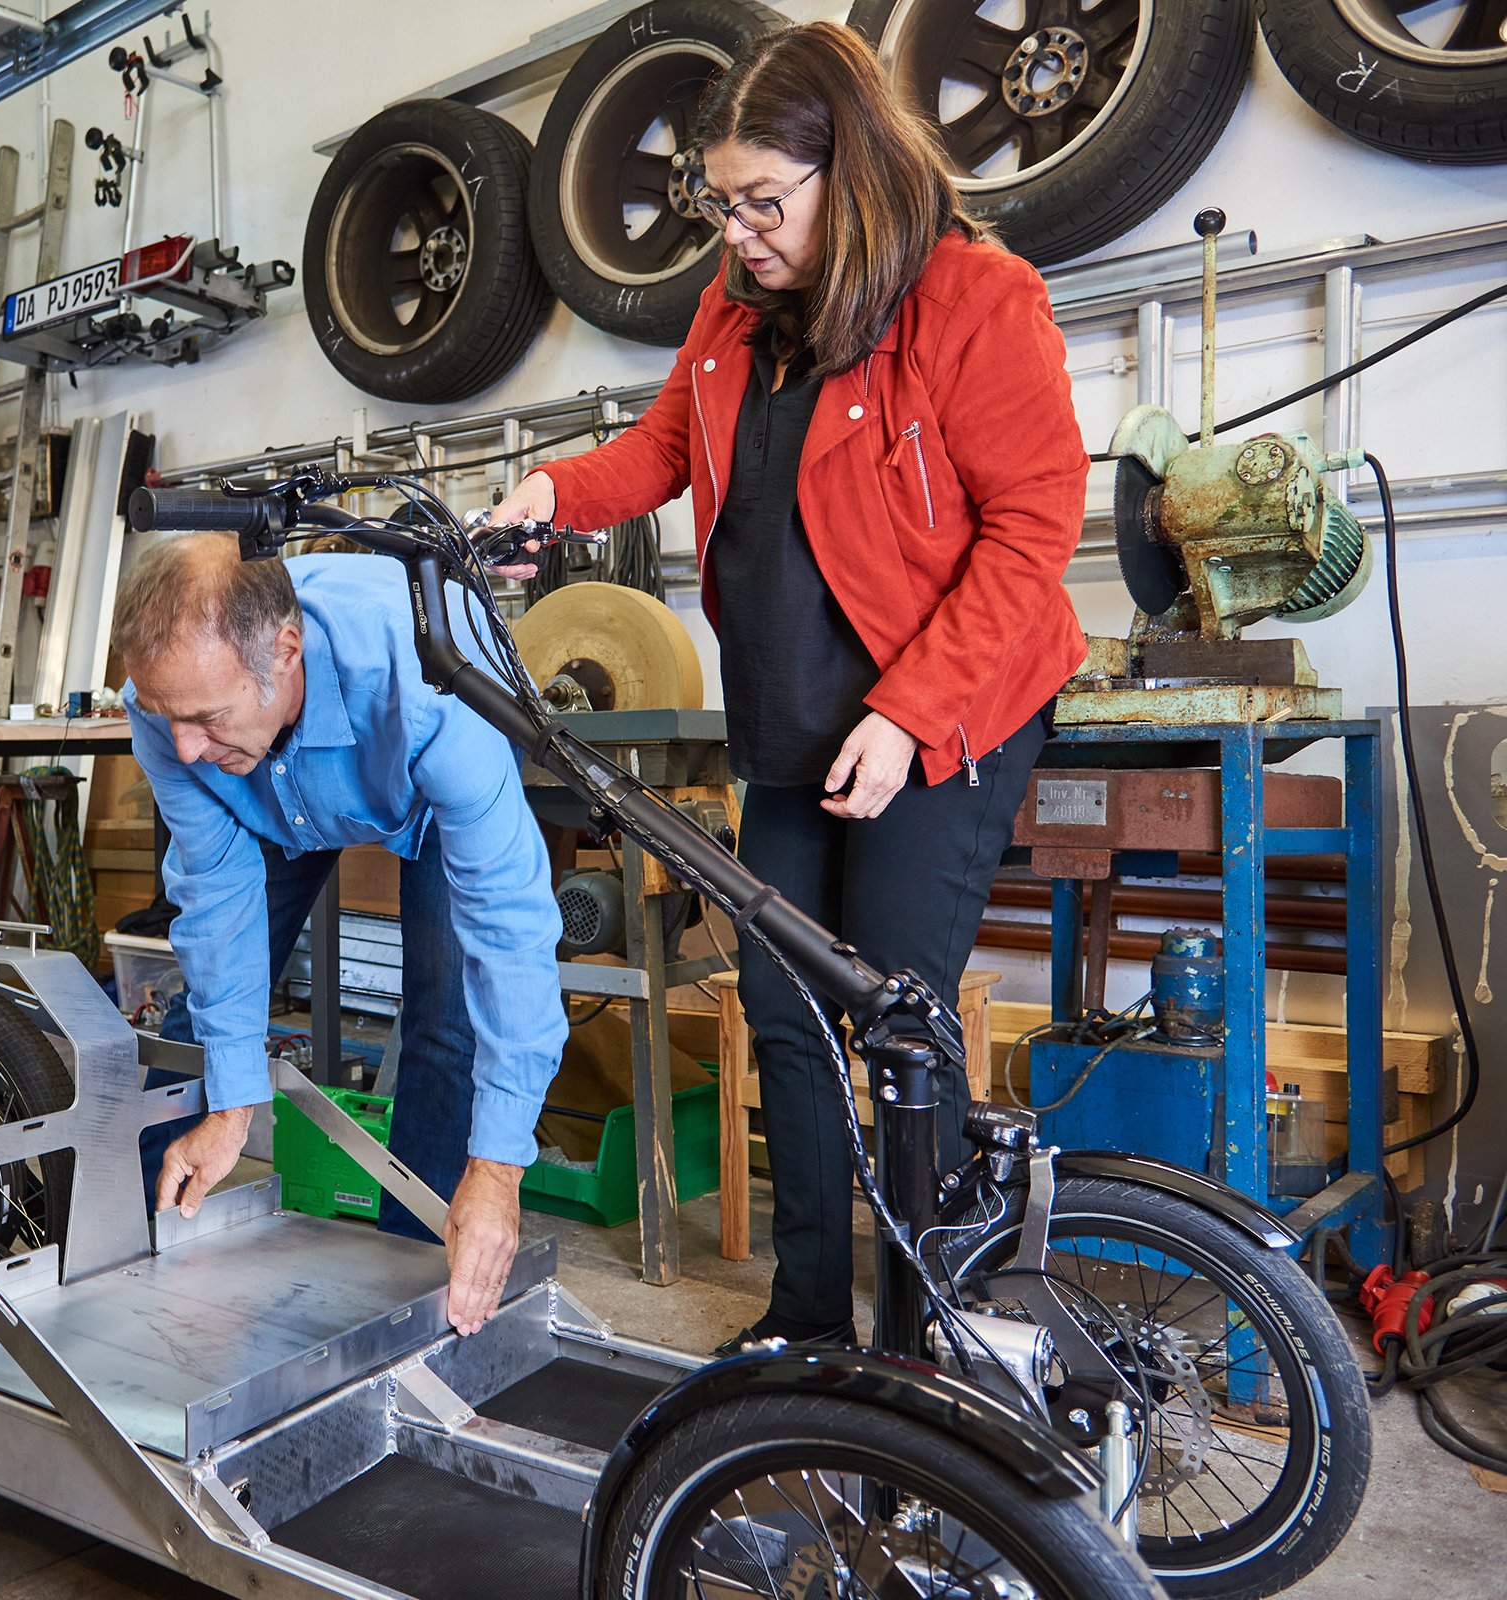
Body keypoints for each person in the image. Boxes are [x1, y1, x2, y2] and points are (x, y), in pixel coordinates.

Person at [487, 21, 1087, 1353]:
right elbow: (659, 449)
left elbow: (1035, 534)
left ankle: (922, 1323)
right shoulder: (736, 305)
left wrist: (907, 713)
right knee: (781, 1007)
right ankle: (811, 1310)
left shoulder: (971, 298)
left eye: (768, 202)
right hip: (792, 723)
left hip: (936, 719)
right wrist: (550, 491)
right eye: (726, 200)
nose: (743, 231)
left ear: (853, 171)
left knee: (896, 1019)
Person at [113, 537, 568, 1336]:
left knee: (446, 1025)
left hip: (409, 781)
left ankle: (420, 1300)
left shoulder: (435, 685)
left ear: (285, 654)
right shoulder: (171, 703)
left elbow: (510, 928)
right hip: (271, 790)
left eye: (204, 718)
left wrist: (499, 1167)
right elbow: (216, 899)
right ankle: (132, 1252)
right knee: (201, 1024)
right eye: (168, 718)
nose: (183, 747)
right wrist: (234, 1098)